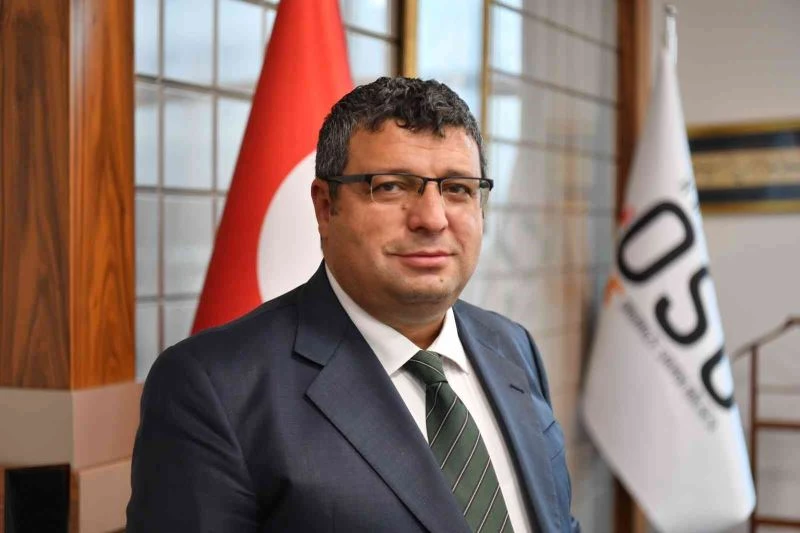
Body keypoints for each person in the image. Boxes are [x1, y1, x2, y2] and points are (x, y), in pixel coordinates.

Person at [127, 77, 580, 533]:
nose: (432, 218)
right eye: (392, 187)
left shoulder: (513, 346)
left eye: (458, 188)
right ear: (326, 207)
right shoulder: (215, 388)